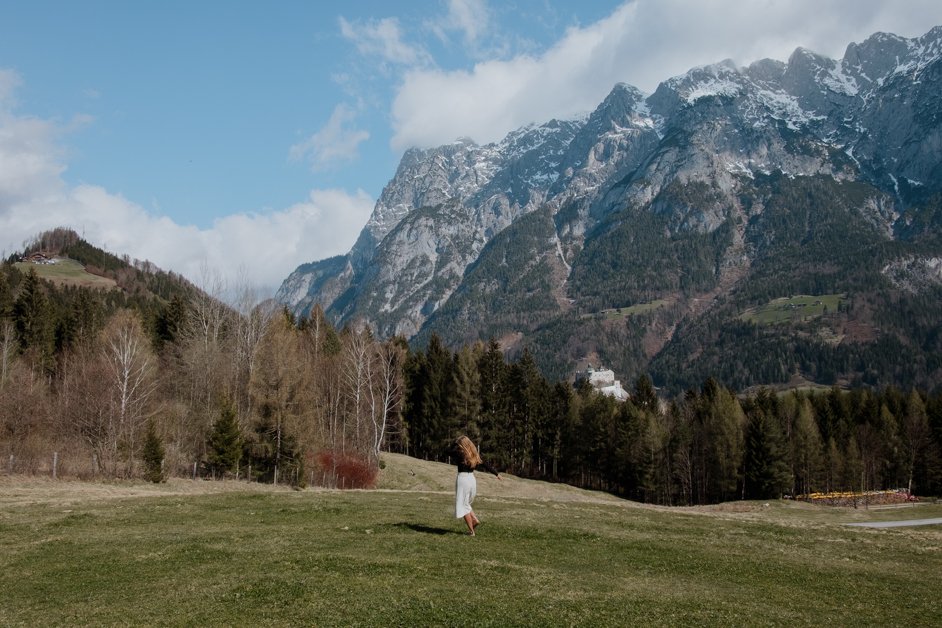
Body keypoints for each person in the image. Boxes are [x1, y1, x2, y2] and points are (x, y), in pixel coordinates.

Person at [449, 435, 501, 536]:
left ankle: (471, 531)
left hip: (463, 479)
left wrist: (454, 443)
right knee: (466, 503)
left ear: (461, 445)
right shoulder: (473, 454)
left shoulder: (459, 453)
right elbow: (485, 464)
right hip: (472, 479)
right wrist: (496, 473)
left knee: (462, 505)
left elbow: (446, 451)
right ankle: (475, 519)